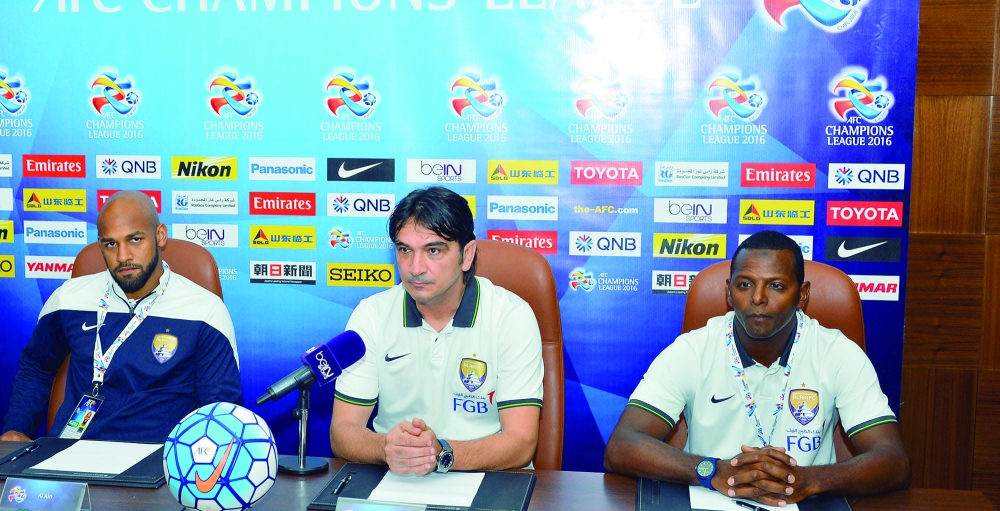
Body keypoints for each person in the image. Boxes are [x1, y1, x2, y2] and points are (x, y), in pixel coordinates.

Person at [604, 230, 909, 506]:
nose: (758, 298)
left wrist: (810, 480)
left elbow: (894, 461)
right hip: (711, 499)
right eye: (745, 284)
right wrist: (713, 471)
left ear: (802, 295)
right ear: (728, 292)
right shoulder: (692, 350)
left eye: (776, 285)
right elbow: (622, 444)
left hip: (806, 503)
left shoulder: (837, 353)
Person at [329, 186, 544, 475]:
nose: (415, 267)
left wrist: (441, 453)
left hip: (490, 479)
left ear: (467, 255)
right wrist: (386, 448)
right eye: (404, 250)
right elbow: (342, 431)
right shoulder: (372, 315)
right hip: (397, 479)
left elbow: (522, 441)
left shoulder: (511, 316)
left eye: (433, 250)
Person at [0, 191, 241, 443]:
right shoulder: (68, 298)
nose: (123, 256)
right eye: (111, 244)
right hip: (73, 453)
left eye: (135, 239)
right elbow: (36, 366)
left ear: (160, 236)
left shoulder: (204, 311)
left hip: (157, 459)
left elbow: (220, 412)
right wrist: (17, 427)